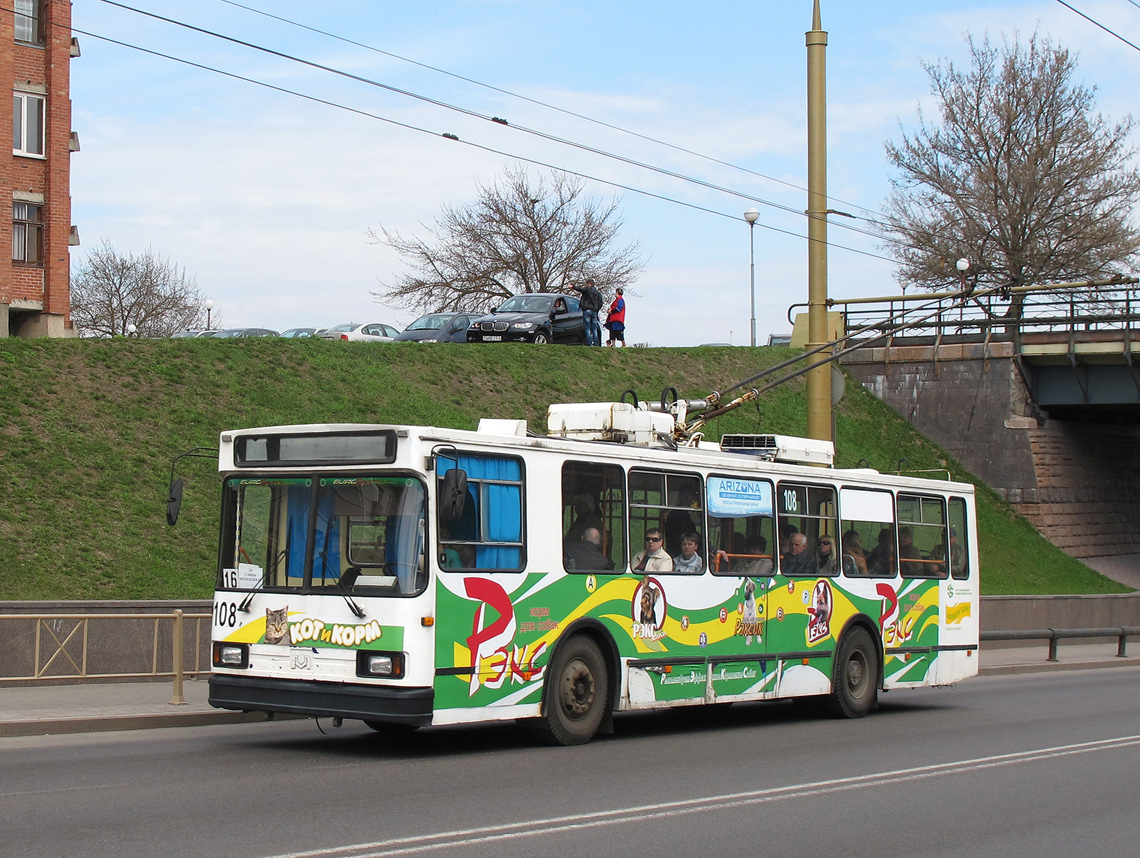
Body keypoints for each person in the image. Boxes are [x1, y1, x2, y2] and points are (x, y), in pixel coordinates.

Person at [571, 278, 604, 346]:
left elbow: (580, 289)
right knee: (594, 328)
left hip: (587, 309)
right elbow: (601, 303)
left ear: (589, 284)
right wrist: (597, 309)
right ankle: (596, 343)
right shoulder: (598, 293)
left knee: (587, 327)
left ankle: (589, 343)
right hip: (594, 311)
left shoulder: (587, 289)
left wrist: (573, 286)